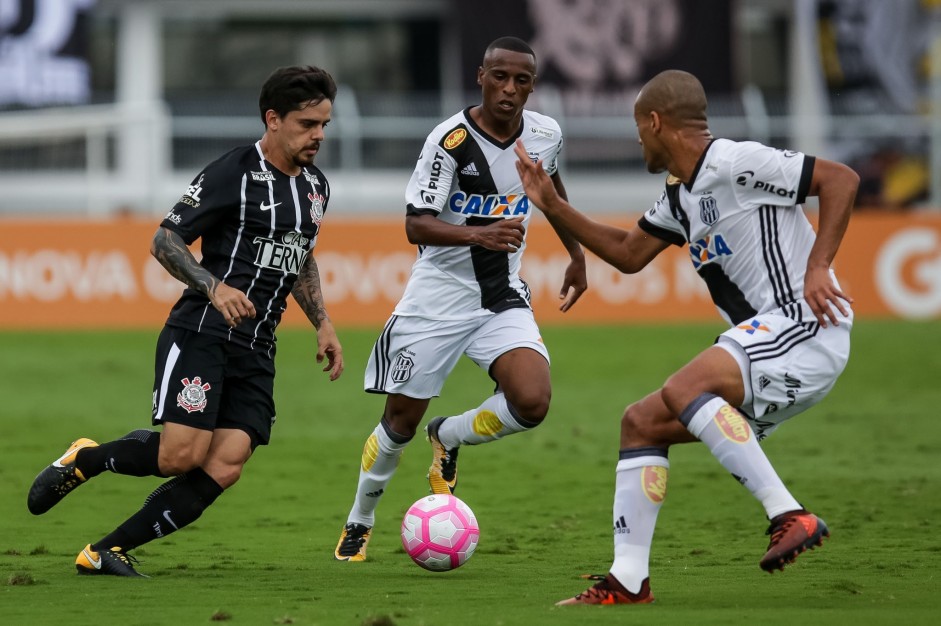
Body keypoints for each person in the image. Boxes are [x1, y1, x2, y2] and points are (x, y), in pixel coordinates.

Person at [514, 69, 859, 605]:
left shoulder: (736, 162)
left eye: (638, 127)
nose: (637, 140)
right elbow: (629, 254)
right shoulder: (680, 197)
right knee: (641, 422)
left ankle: (789, 514)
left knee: (683, 387)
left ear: (655, 122)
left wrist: (819, 267)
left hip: (803, 323)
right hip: (774, 343)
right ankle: (629, 580)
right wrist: (556, 208)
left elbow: (840, 180)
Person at [26, 65, 344, 577]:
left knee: (227, 463)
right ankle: (87, 460)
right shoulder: (232, 172)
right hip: (203, 330)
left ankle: (104, 551)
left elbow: (300, 253)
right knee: (181, 457)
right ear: (273, 119)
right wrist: (214, 287)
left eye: (325, 124)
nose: (319, 136)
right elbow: (164, 240)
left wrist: (322, 322)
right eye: (308, 124)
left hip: (258, 344)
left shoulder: (315, 187)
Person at [334, 36, 587, 562]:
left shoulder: (545, 134)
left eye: (521, 80)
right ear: (481, 76)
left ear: (532, 86)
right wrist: (481, 235)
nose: (509, 89)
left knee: (533, 401)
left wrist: (576, 253)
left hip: (500, 296)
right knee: (398, 423)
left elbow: (552, 190)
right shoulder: (448, 141)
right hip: (437, 299)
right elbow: (414, 224)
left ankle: (449, 435)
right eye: (500, 77)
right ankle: (360, 520)